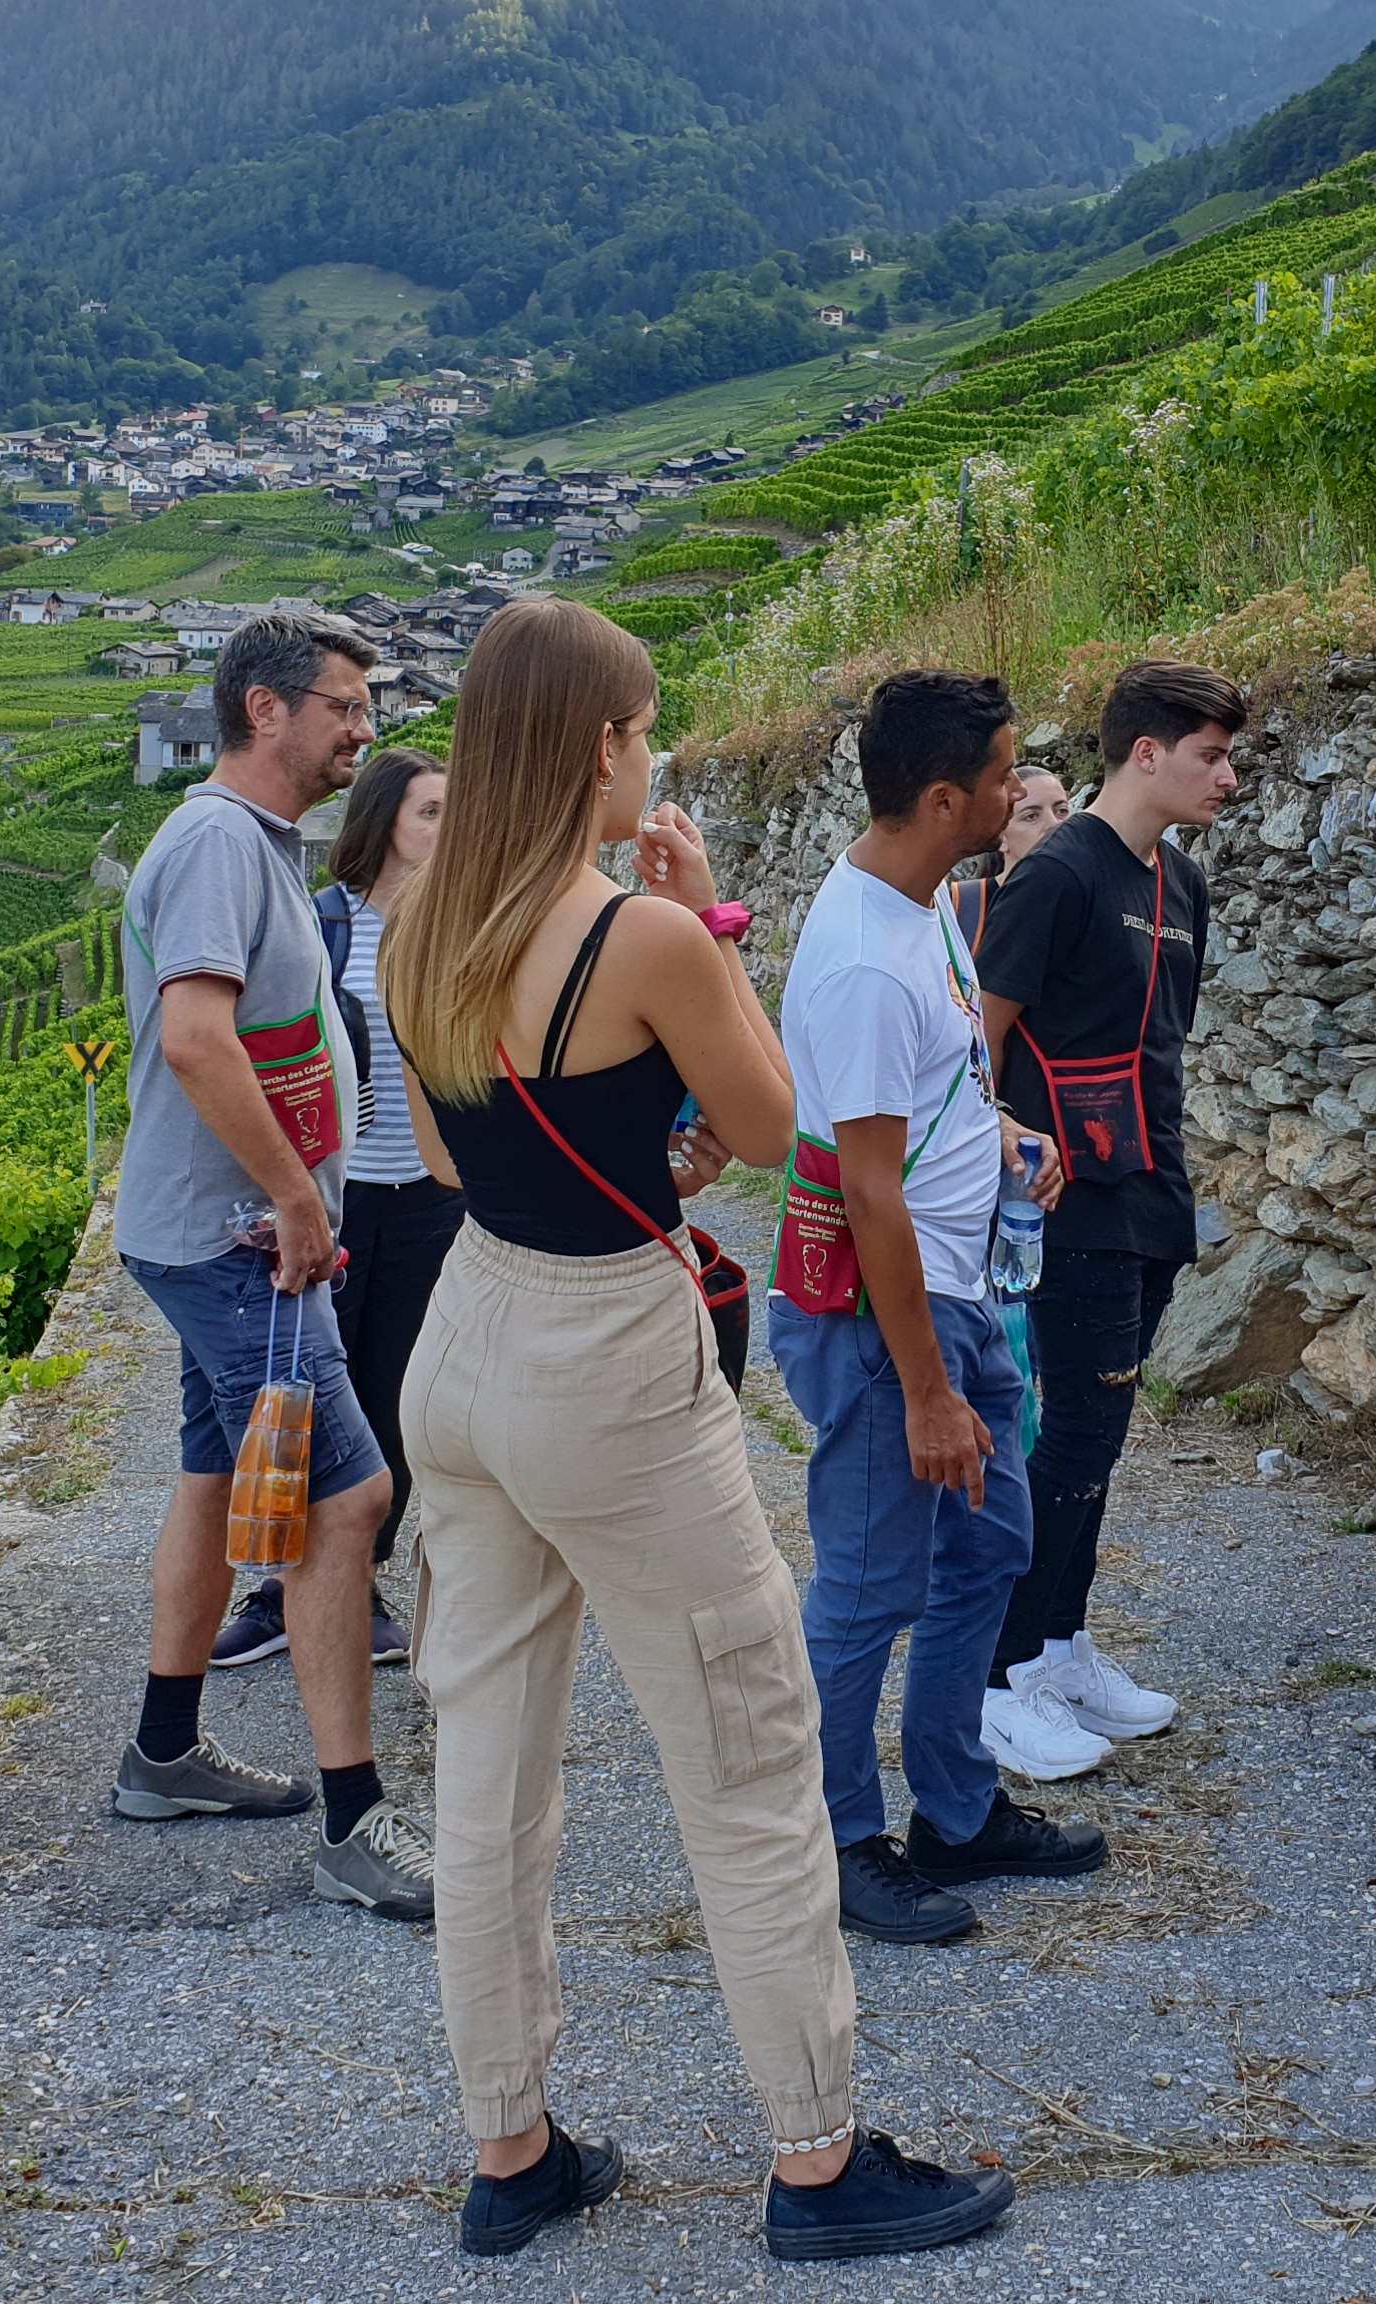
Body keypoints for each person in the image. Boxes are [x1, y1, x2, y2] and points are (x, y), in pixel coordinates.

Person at [387, 598, 1014, 2264]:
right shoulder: (641, 938)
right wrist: (701, 923)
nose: (653, 750)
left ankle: (508, 2145)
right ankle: (816, 2159)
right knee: (742, 1759)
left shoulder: (411, 921)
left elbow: (455, 1167)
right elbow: (768, 1132)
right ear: (600, 742)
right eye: (644, 723)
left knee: (489, 1772)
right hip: (603, 1354)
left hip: (463, 1340)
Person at [105, 611, 435, 1929]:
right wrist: (300, 1198)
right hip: (243, 1248)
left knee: (209, 1475)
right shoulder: (212, 846)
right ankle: (356, 1824)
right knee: (346, 1503)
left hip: (217, 1238)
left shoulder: (248, 846)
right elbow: (196, 1039)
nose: (363, 730)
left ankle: (165, 1751)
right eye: (345, 707)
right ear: (266, 711)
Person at [774, 670, 1107, 1947]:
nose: (1023, 791)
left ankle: (955, 1812)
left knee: (988, 1550)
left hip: (960, 1293)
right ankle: (839, 1839)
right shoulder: (865, 956)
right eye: (1006, 775)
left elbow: (927, 1104)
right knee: (867, 1587)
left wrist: (1002, 1133)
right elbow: (866, 1190)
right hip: (885, 1321)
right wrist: (926, 1388)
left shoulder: (926, 907)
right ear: (937, 795)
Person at [976, 658, 1243, 1764]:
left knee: (1105, 1437)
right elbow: (975, 1044)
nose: (1229, 777)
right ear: (1145, 753)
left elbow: (1164, 1044)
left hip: (1152, 1195)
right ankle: (999, 1675)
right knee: (1073, 1432)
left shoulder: (1182, 884)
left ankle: (1062, 1644)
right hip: (1067, 1201)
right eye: (1212, 755)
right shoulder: (1058, 874)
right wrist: (1002, 1144)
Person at [213, 746, 450, 1675]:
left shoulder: (459, 932)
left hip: (430, 1200)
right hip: (336, 1205)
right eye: (432, 812)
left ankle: (359, 1579)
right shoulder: (321, 930)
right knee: (304, 1389)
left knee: (391, 1391)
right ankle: (278, 1588)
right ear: (384, 819)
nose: (447, 830)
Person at [943, 761, 1073, 955]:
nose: (1054, 824)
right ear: (1000, 836)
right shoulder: (961, 906)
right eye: (1031, 816)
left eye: (1061, 811)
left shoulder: (1093, 903)